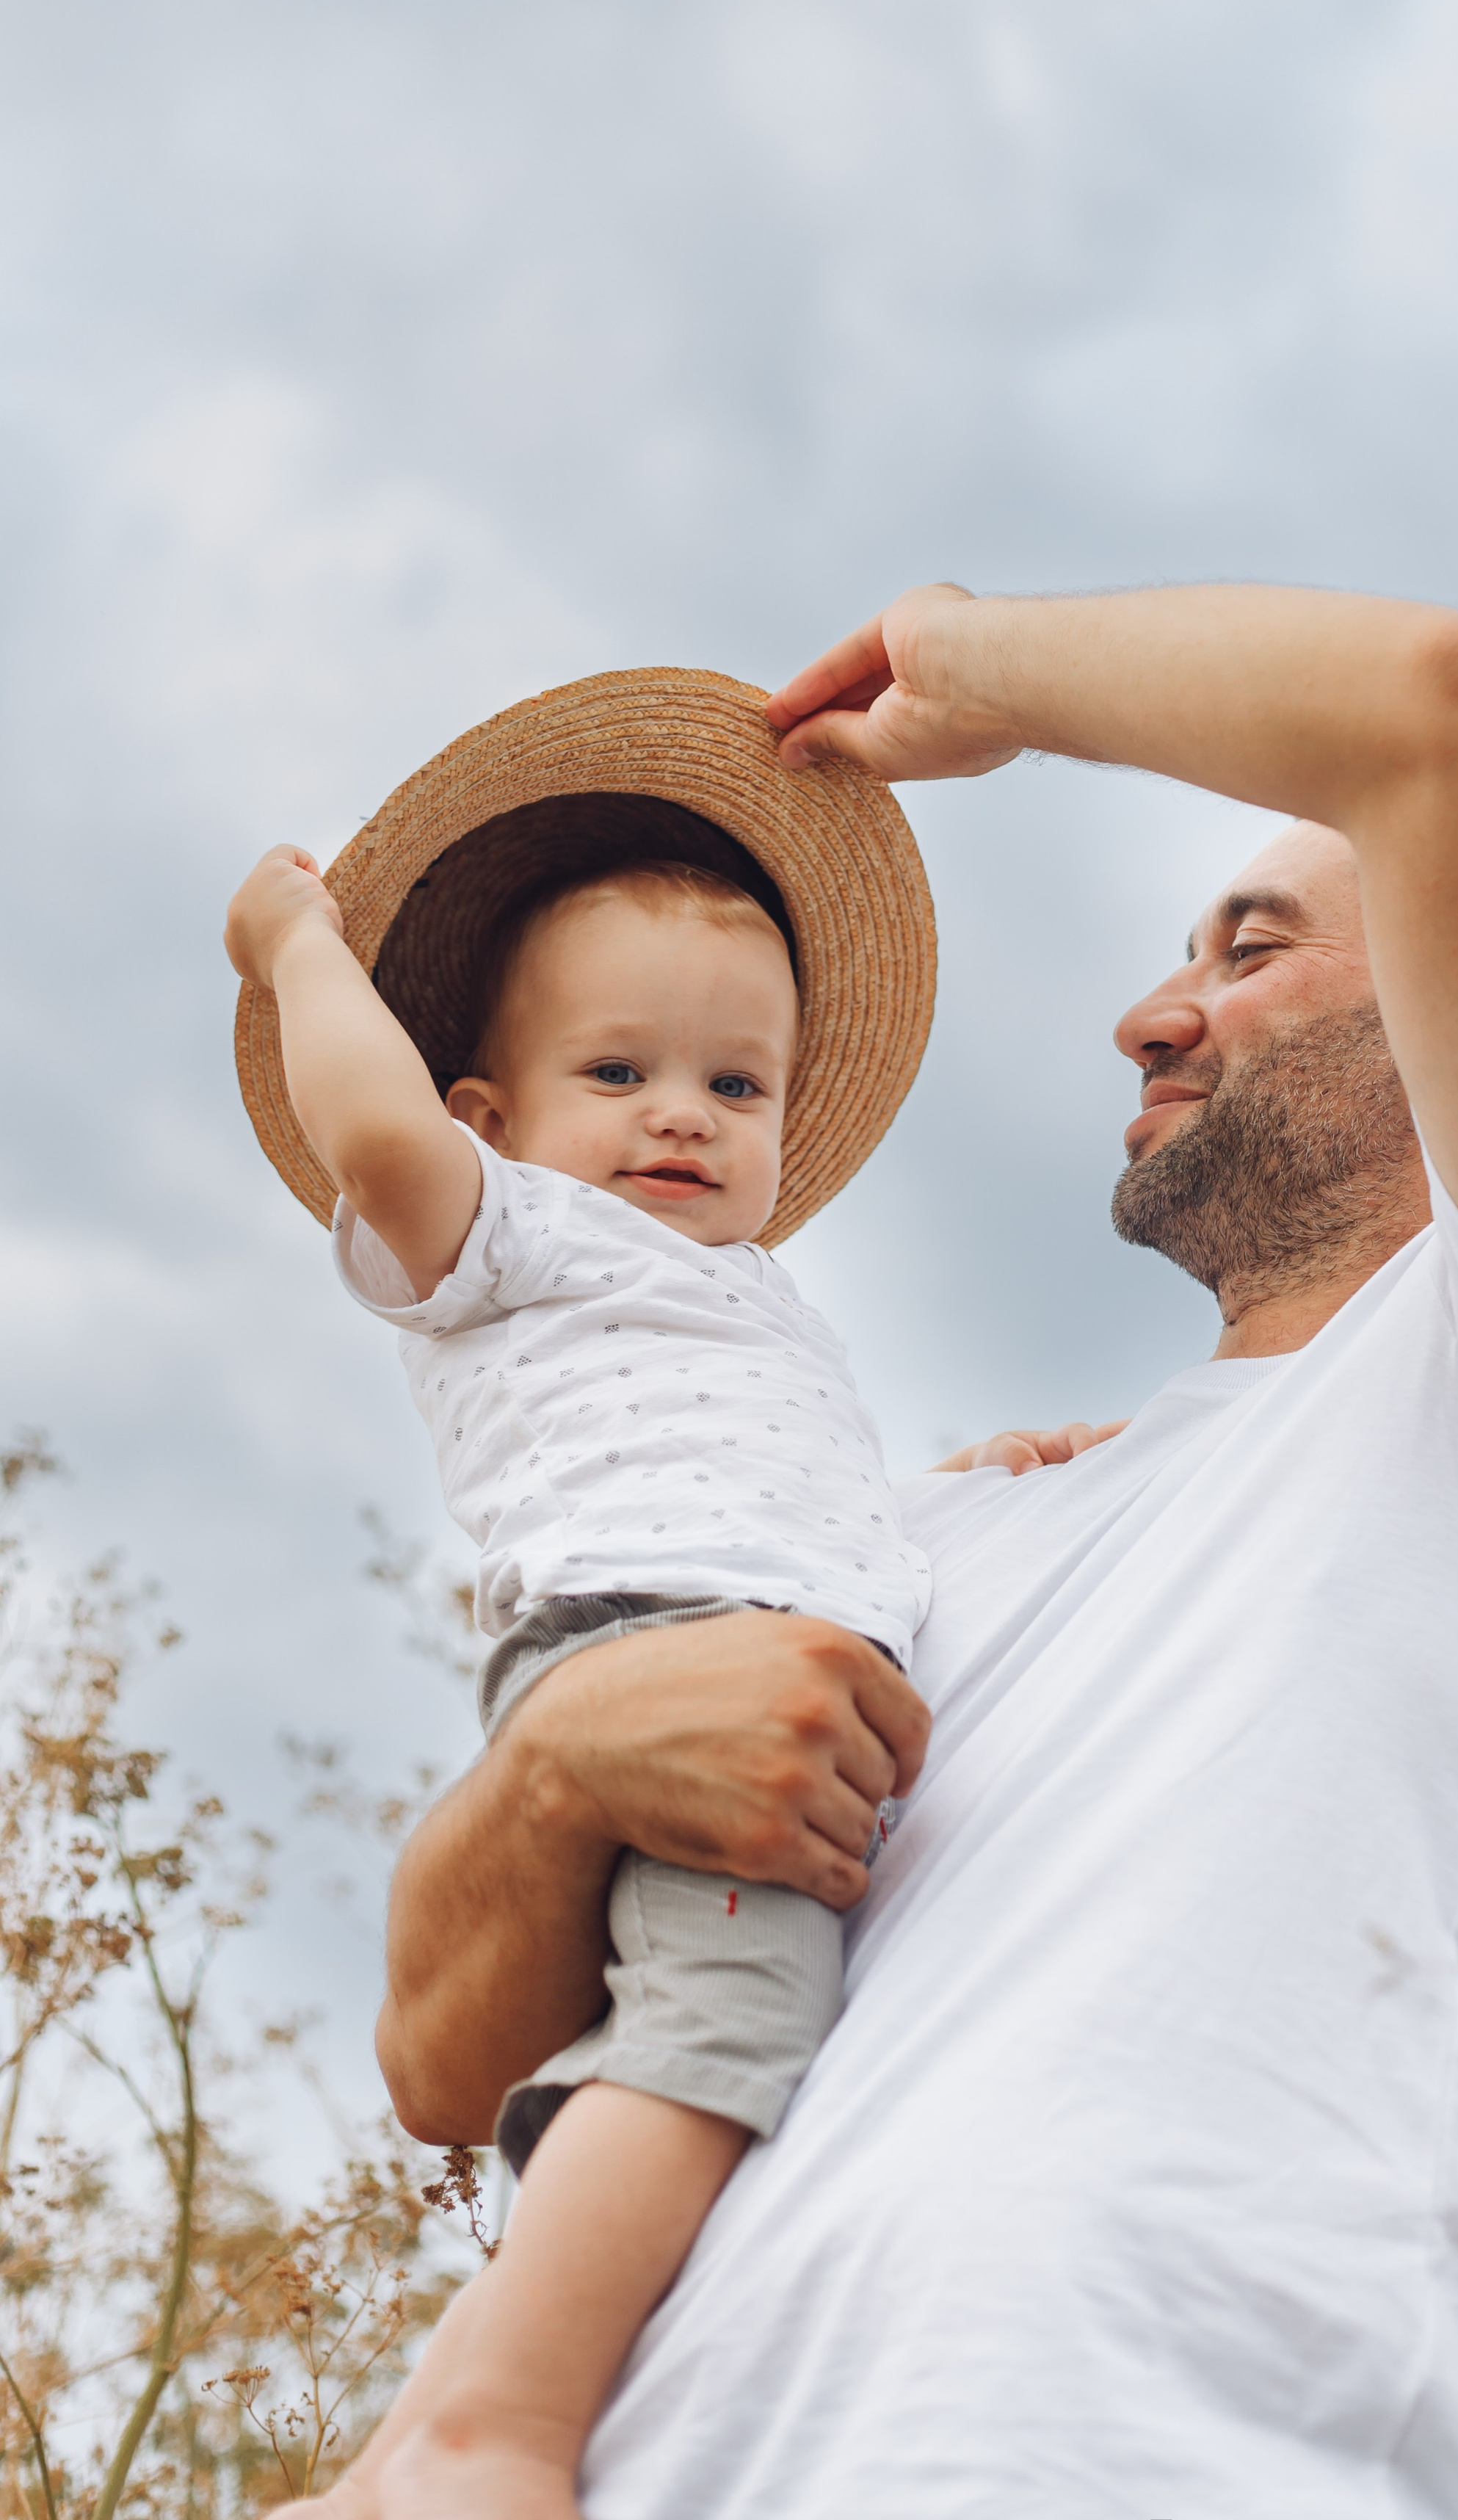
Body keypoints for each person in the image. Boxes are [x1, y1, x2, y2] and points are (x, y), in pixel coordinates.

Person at [374, 581, 1458, 2518]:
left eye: (1254, 947)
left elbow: (1441, 710)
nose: (1152, 1009)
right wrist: (557, 1763)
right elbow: (448, 2070)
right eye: (1174, 950)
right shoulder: (918, 1534)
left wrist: (987, 668)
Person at [225, 833, 962, 2519]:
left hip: (728, 1648)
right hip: (654, 1664)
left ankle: (393, 2468)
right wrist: (291, 953)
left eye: (733, 1080)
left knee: (698, 2026)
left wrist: (991, 1473)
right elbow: (375, 1129)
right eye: (617, 1069)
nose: (682, 1111)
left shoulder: (748, 1299)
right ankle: (498, 2423)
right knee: (728, 2019)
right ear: (490, 1120)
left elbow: (808, 1491)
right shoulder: (516, 1232)